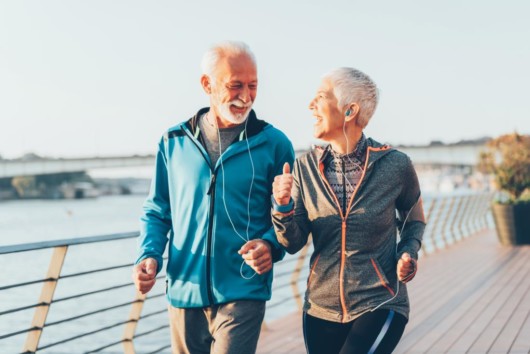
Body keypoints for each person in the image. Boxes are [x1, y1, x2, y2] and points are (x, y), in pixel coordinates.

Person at [133, 41, 295, 354]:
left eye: (253, 86)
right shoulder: (173, 142)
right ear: (207, 84)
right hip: (184, 290)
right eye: (235, 86)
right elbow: (157, 210)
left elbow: (290, 216)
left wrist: (270, 245)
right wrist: (148, 255)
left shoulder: (275, 144)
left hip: (244, 289)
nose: (245, 97)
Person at [272, 67, 426, 354]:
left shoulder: (395, 165)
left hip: (381, 300)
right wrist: (282, 207)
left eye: (320, 97)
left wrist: (408, 253)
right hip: (320, 309)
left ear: (349, 111)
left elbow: (413, 219)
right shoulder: (304, 168)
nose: (310, 106)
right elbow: (291, 242)